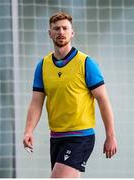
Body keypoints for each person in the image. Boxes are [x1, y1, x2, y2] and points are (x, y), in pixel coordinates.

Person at [23, 12, 117, 178]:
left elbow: (103, 100)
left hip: (80, 137)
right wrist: (28, 131)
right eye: (56, 28)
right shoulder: (43, 66)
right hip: (56, 137)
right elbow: (36, 102)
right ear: (50, 33)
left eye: (65, 28)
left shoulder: (86, 63)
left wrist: (110, 136)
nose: (61, 32)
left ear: (72, 33)